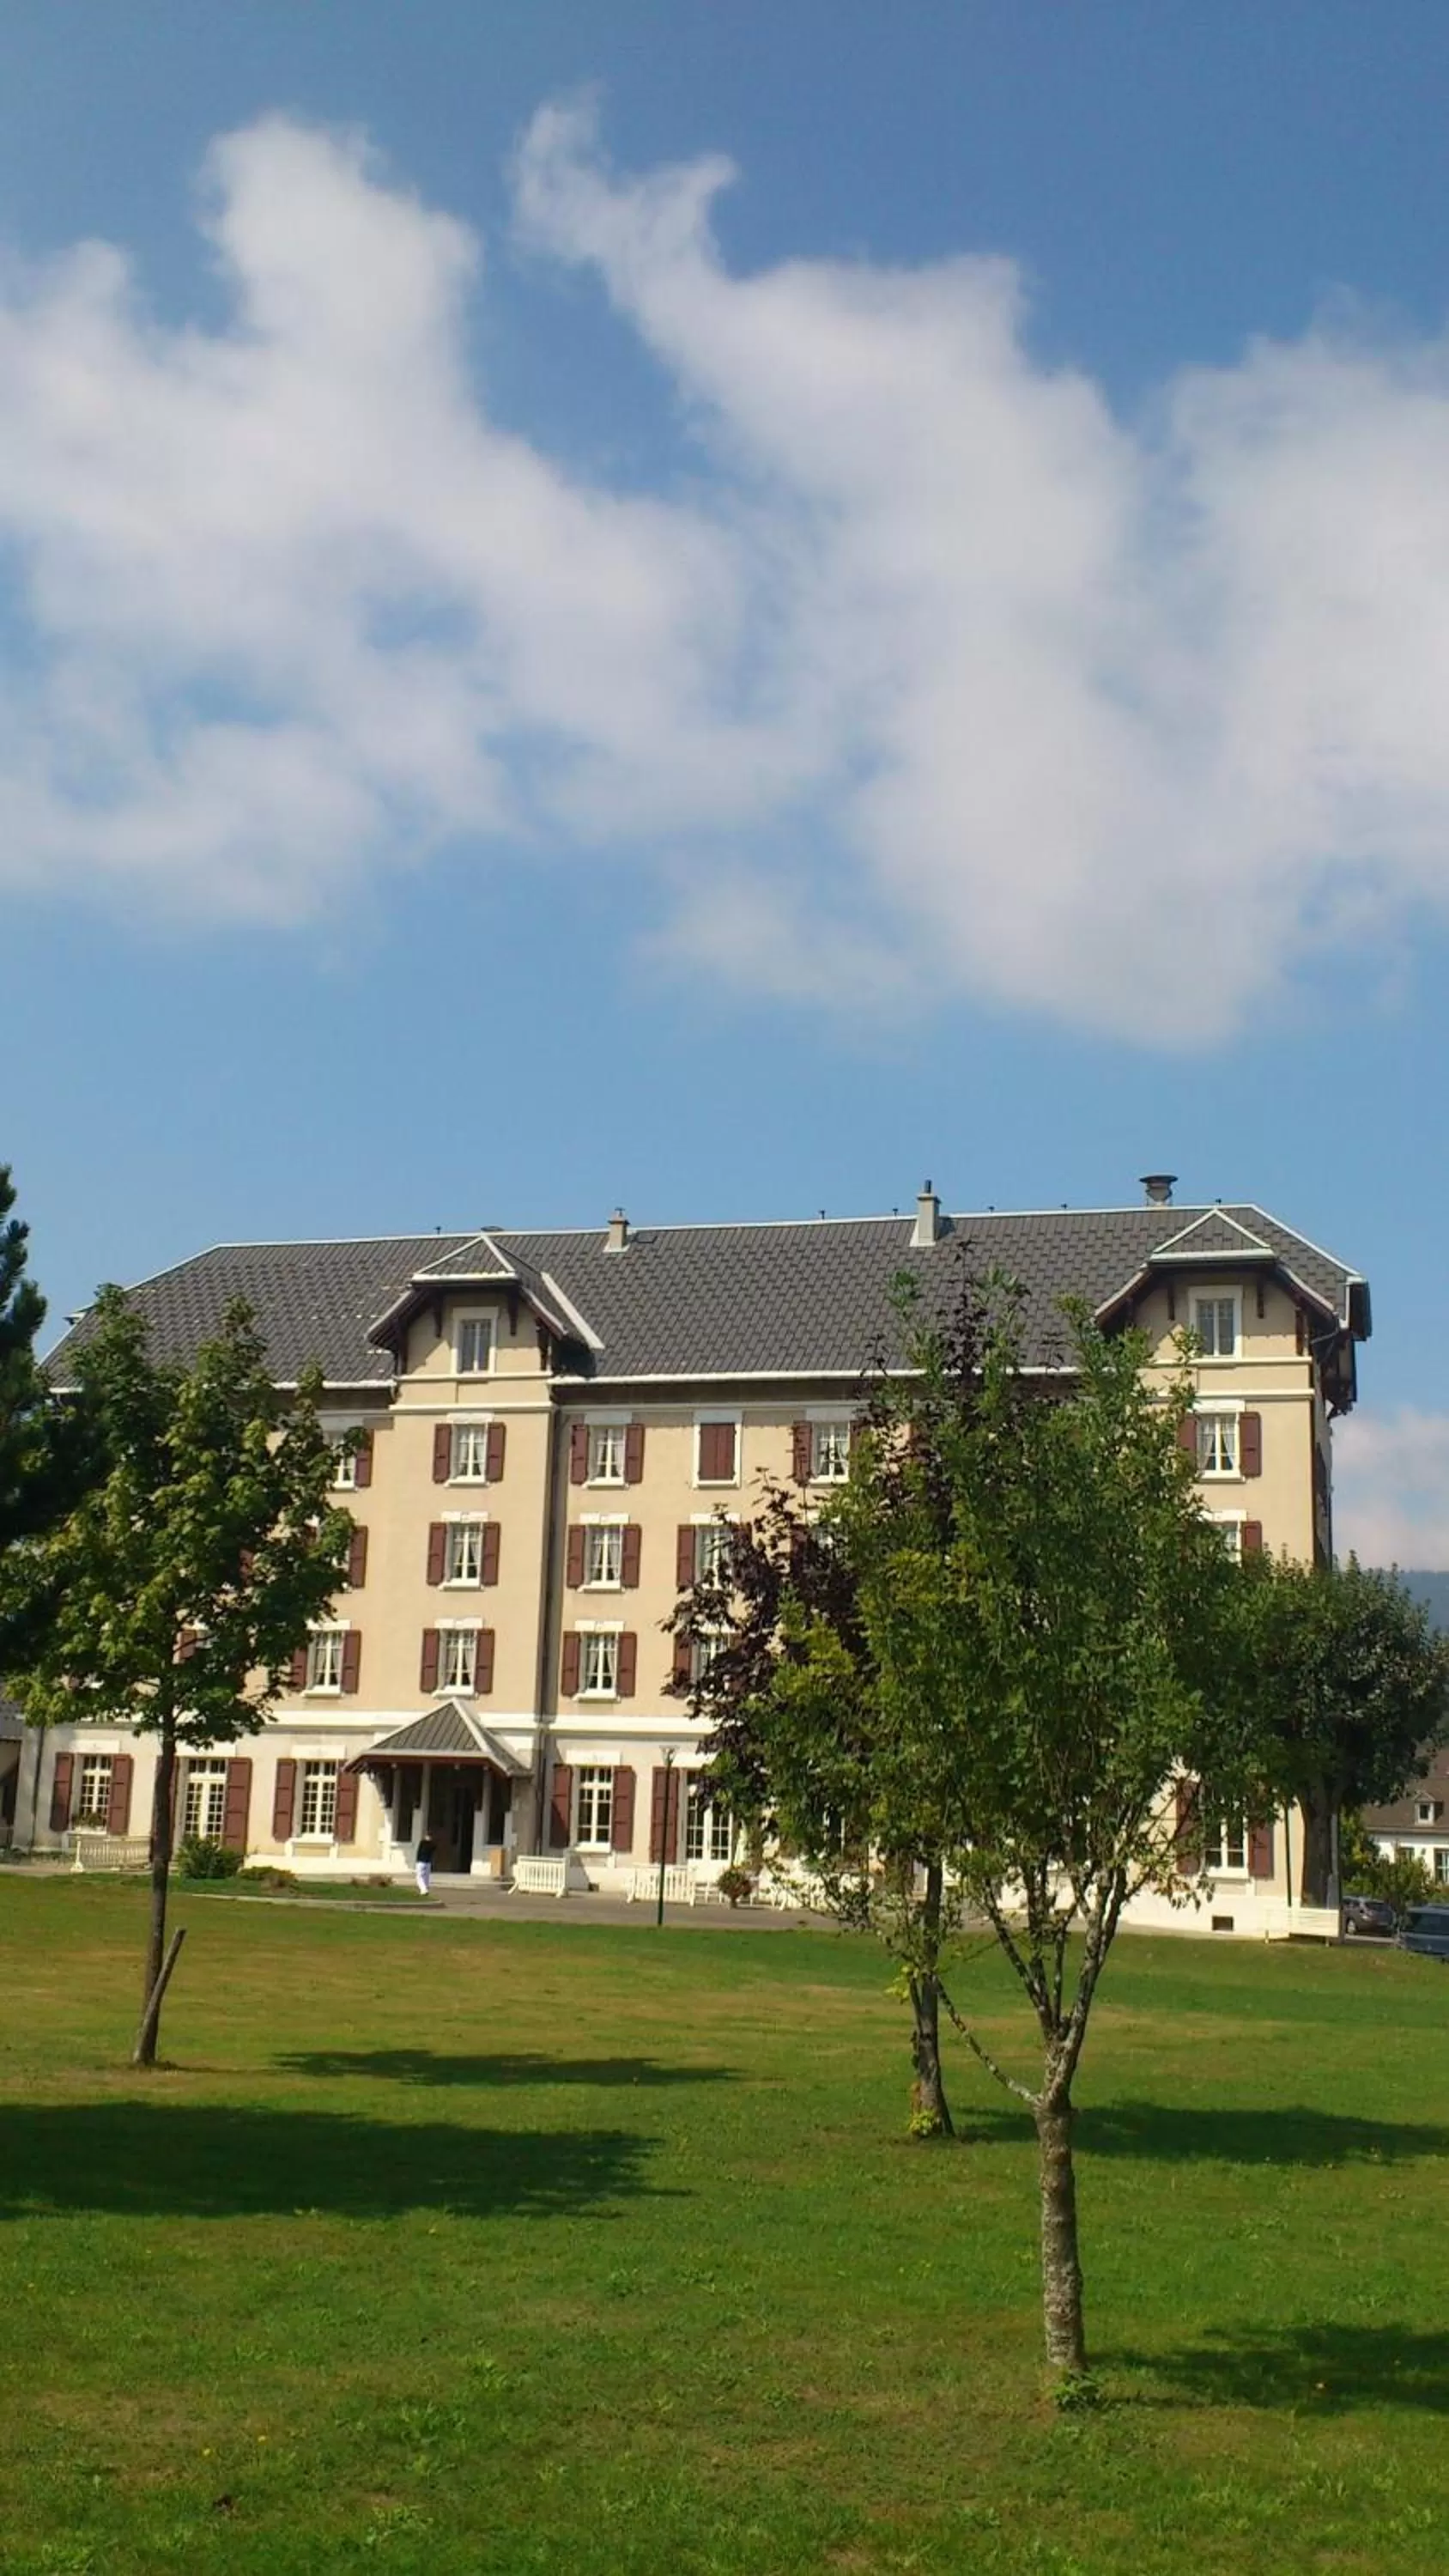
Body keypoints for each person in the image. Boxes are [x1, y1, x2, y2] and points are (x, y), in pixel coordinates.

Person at [415, 1830, 437, 1897]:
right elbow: (434, 1847)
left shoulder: (422, 1842)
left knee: (419, 1877)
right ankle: (426, 1889)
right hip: (428, 1863)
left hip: (421, 1862)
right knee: (426, 1878)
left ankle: (424, 1890)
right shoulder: (432, 1844)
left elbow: (419, 1851)